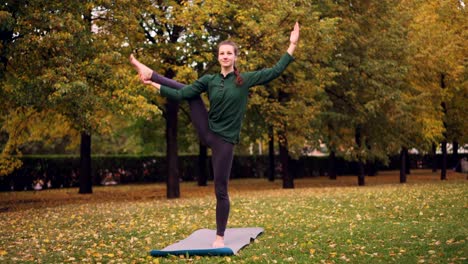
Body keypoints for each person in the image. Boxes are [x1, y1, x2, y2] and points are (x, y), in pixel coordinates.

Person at [130, 22, 300, 248]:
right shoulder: (210, 80)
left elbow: (274, 72)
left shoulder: (244, 80)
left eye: (229, 53)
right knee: (191, 93)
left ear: (235, 57)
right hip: (207, 131)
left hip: (225, 142)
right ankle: (150, 73)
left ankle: (219, 236)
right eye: (222, 53)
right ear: (218, 57)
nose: (225, 56)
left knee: (220, 189)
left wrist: (292, 45)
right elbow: (183, 94)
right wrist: (153, 84)